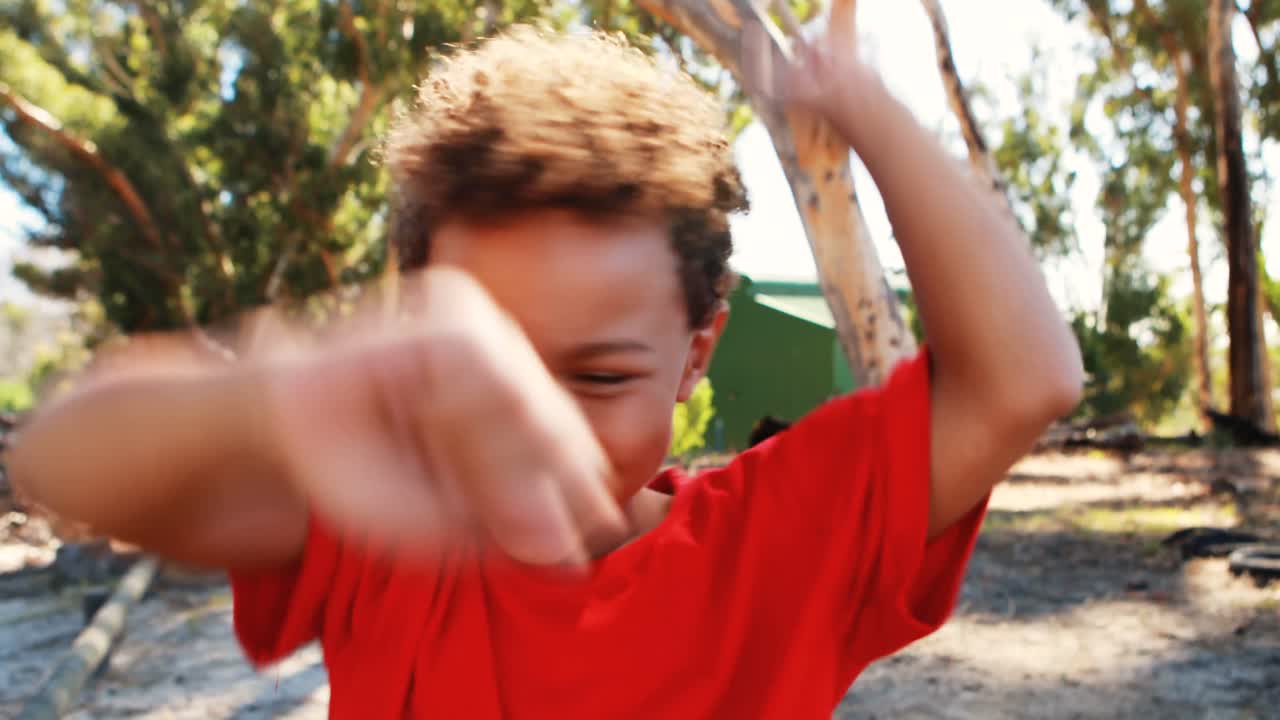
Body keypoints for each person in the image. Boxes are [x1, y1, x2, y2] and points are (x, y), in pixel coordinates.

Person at [9, 23, 1082, 719]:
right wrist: (288, 390)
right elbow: (69, 458)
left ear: (693, 353)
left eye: (599, 376)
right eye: (477, 363)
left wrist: (862, 106)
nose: (531, 423)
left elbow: (1023, 378)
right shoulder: (381, 524)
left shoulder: (778, 545)